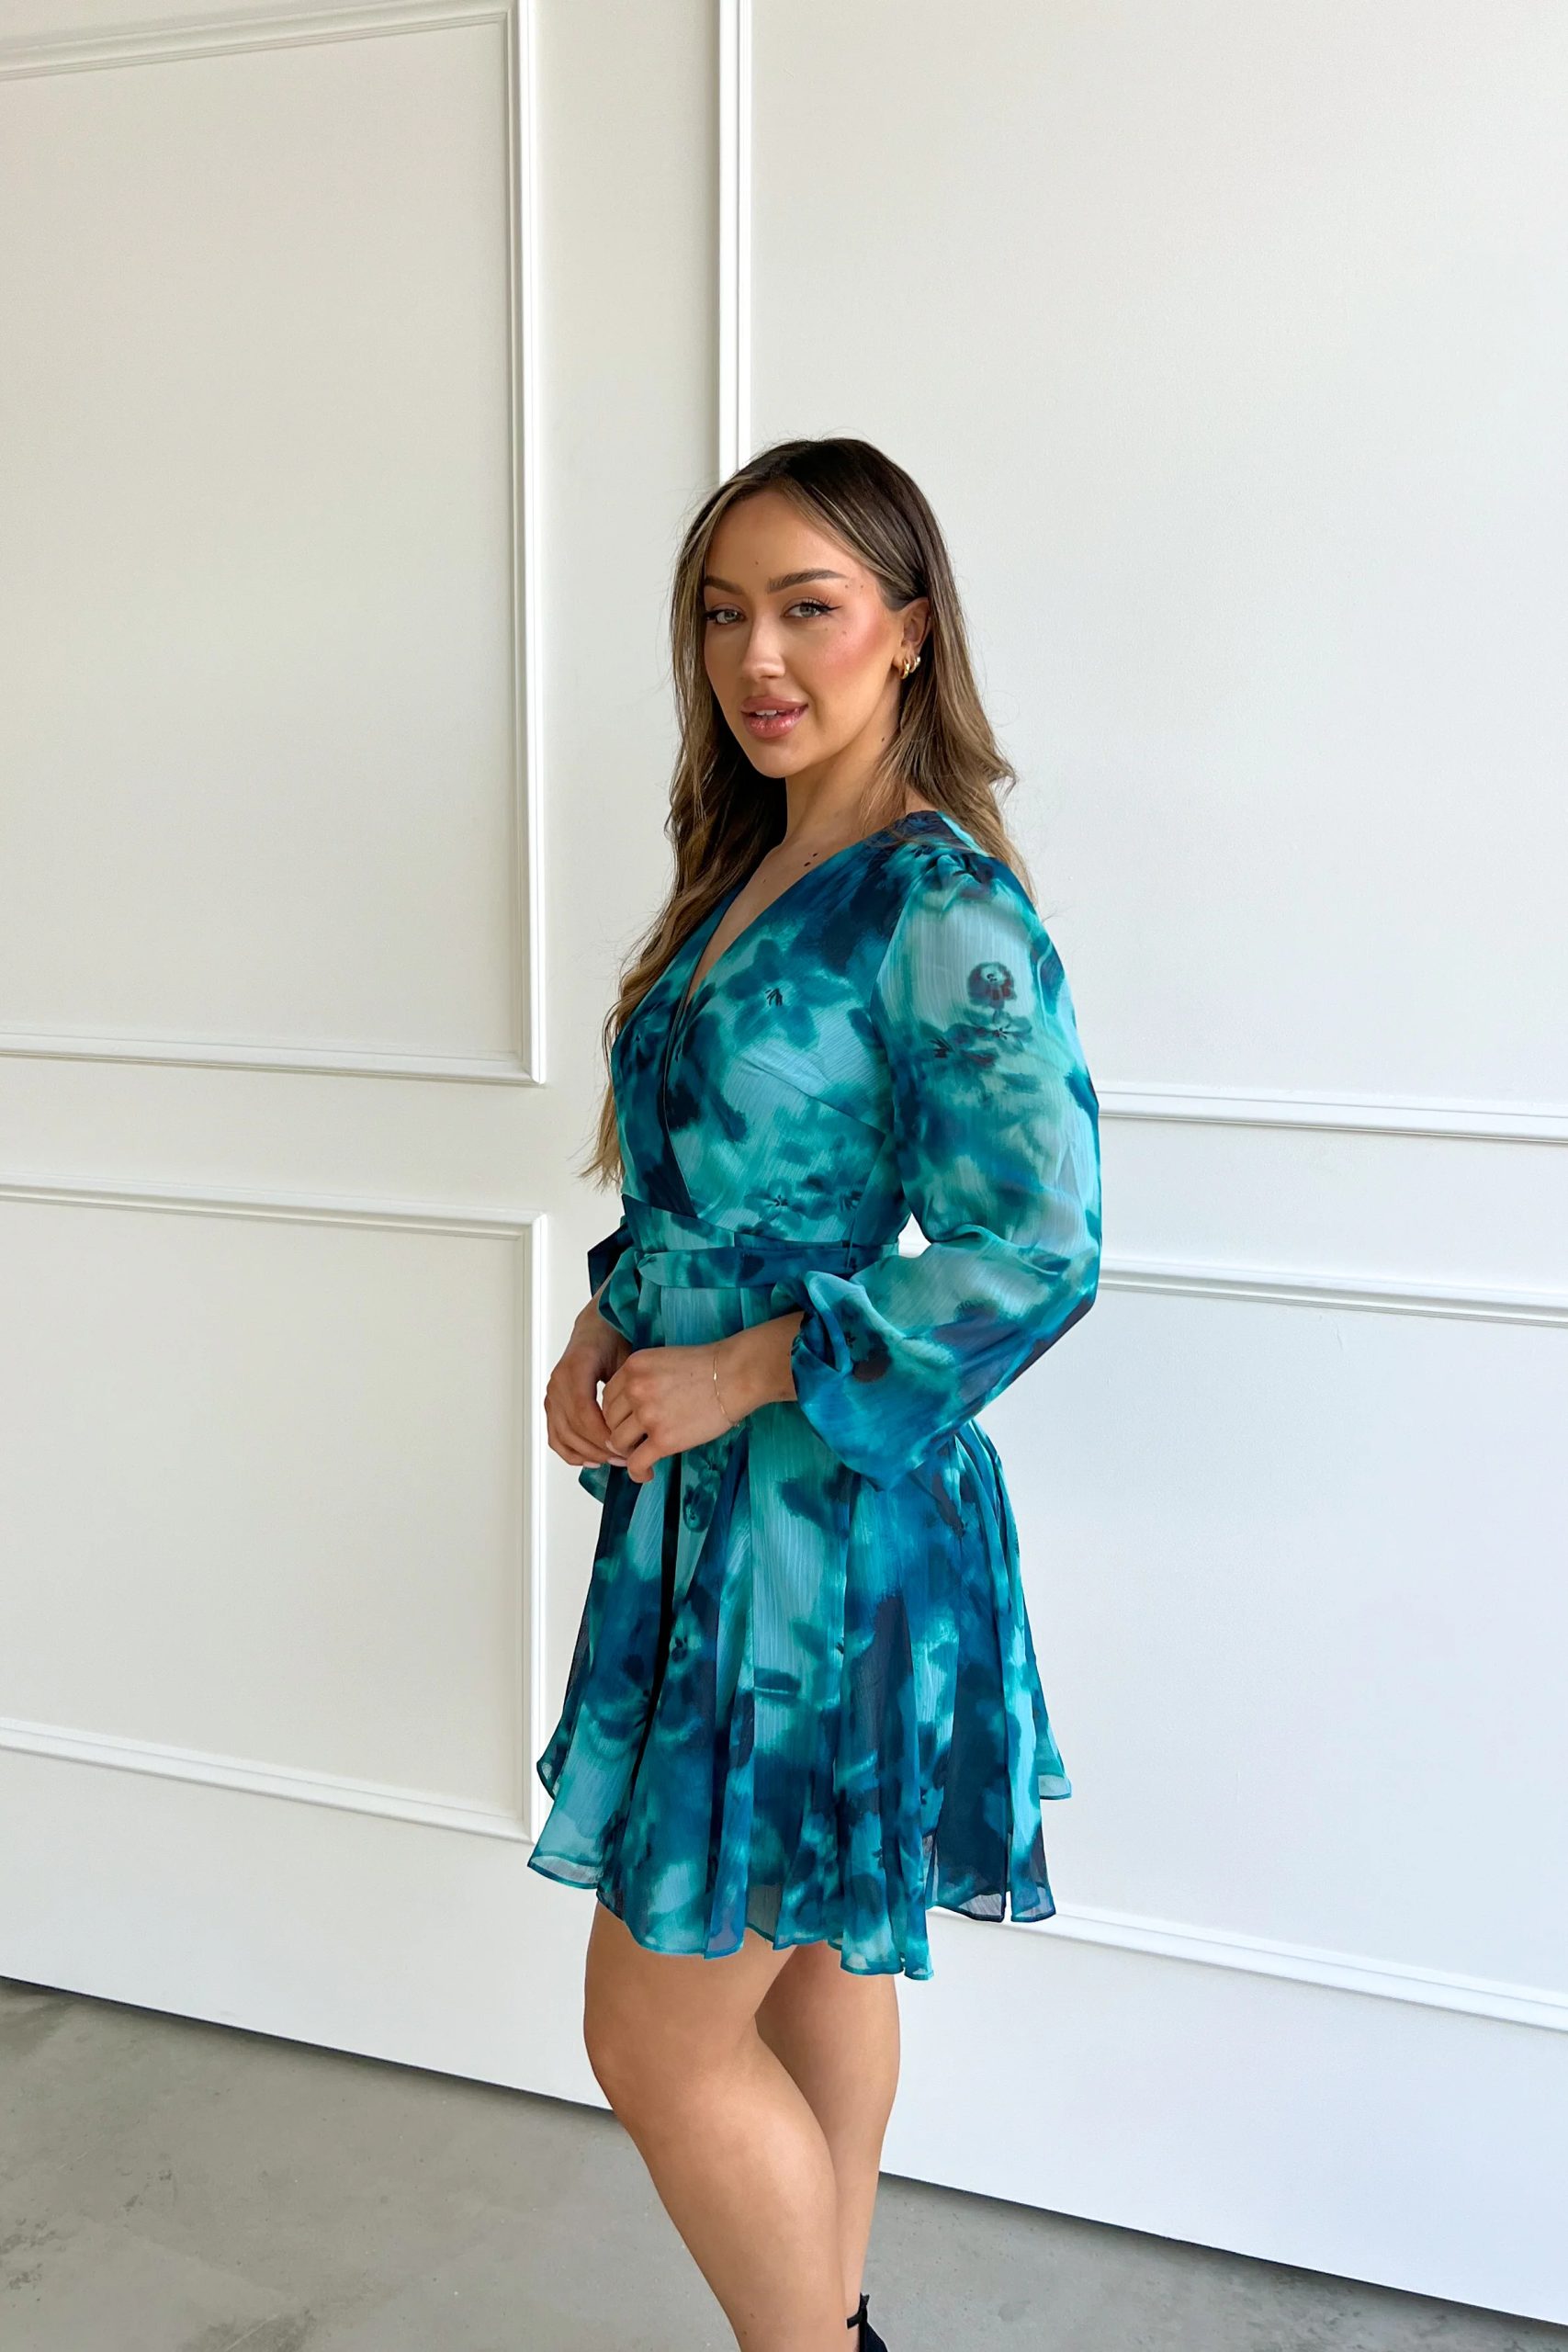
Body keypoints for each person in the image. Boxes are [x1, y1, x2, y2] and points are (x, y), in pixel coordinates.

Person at [532, 435, 1102, 2352]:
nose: (756, 657)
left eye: (808, 607)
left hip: (827, 1521)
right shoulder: (750, 863)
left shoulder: (939, 904)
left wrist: (742, 1368)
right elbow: (709, 1184)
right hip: (711, 1500)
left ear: (909, 629)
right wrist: (608, 1319)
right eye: (722, 614)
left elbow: (1036, 1243)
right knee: (803, 1967)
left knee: (651, 2031)